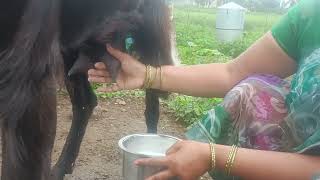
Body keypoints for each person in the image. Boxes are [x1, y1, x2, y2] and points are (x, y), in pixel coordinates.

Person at [88, 0, 320, 179]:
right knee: (252, 92)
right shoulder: (311, 13)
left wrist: (214, 155)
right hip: (296, 144)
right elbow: (233, 72)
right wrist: (147, 74)